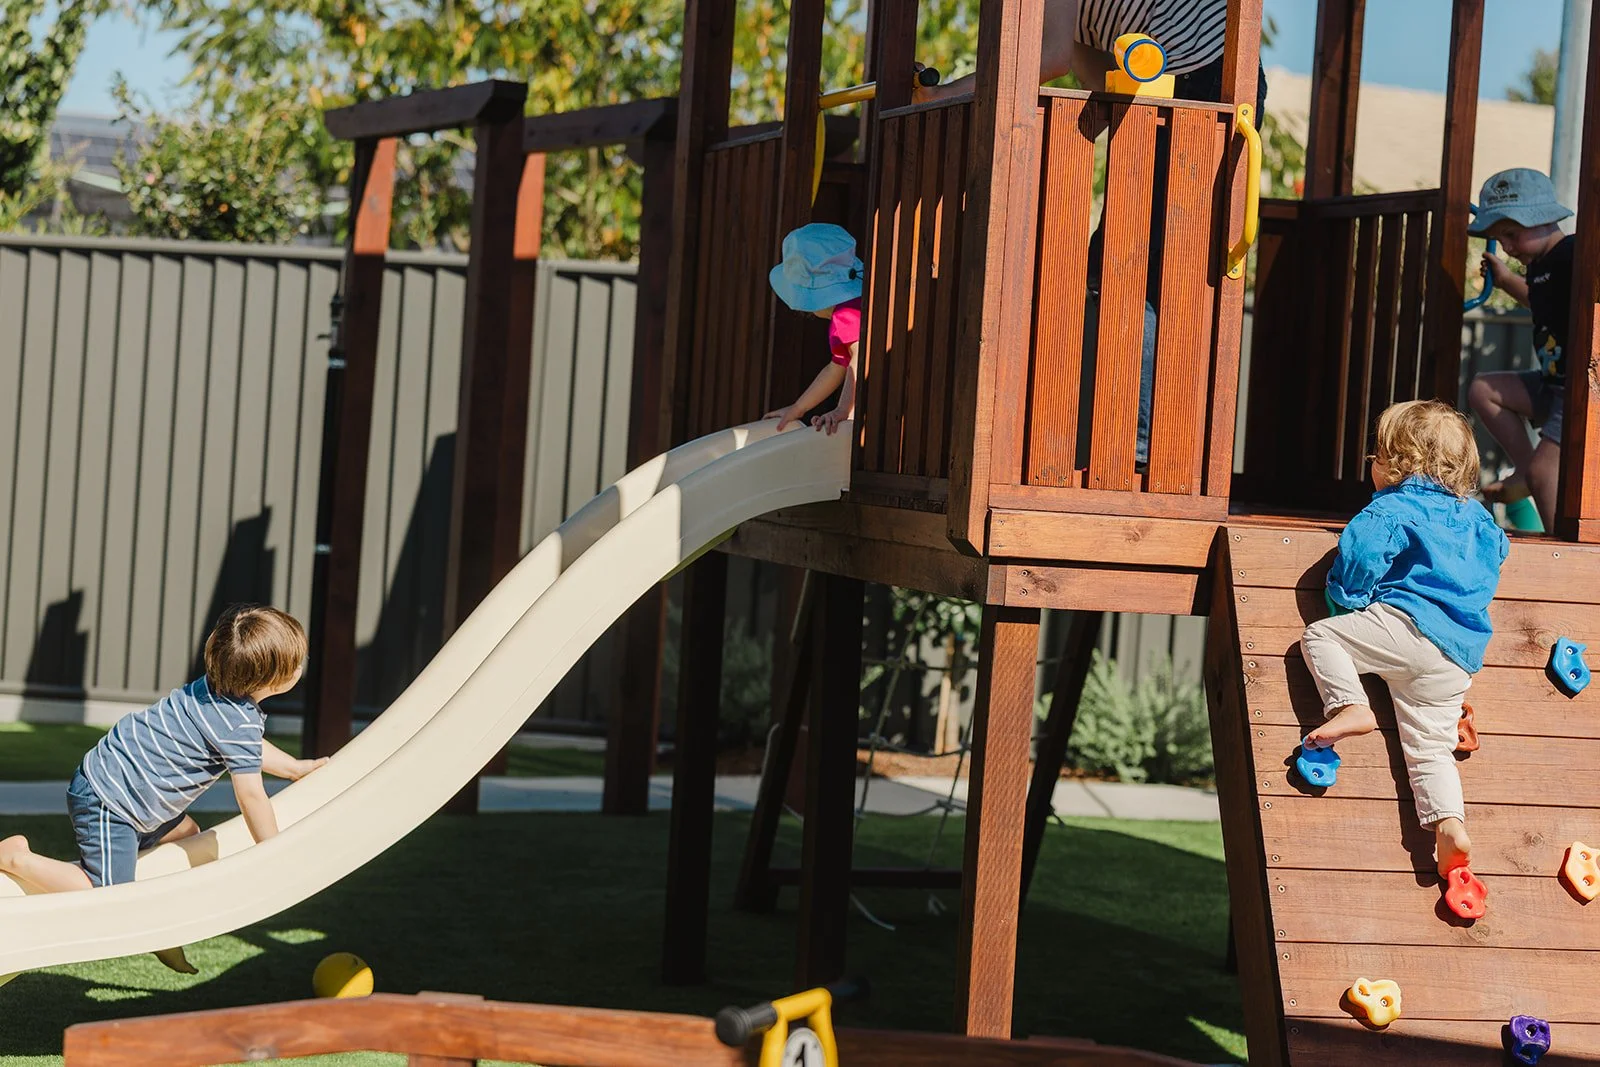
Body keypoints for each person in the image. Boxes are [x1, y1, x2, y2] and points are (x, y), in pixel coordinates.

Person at [914, 0, 1266, 469]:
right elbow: (1094, 77)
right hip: (1173, 78)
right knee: (1113, 261)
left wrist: (945, 95)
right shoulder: (1072, 16)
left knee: (1138, 267)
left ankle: (1139, 455)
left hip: (1206, 78)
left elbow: (1048, 57)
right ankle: (1120, 444)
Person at [0, 605, 327, 972]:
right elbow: (251, 795)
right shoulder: (237, 722)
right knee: (110, 901)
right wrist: (274, 849)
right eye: (297, 663)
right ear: (273, 679)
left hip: (134, 794)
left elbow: (246, 749)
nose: (301, 667)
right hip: (110, 801)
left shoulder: (214, 689)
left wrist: (293, 768)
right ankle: (17, 858)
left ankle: (160, 929)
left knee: (189, 837)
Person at [1299, 400, 1508, 879]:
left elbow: (1358, 559)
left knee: (1322, 637)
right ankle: (1449, 825)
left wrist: (1347, 599)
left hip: (1405, 627)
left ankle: (1350, 706)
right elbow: (1499, 550)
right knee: (1431, 750)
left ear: (1397, 463)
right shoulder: (1479, 521)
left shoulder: (1390, 509)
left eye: (1375, 455)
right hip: (1456, 658)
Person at [1465, 168, 1576, 532]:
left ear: (1544, 218)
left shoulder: (1574, 255)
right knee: (1484, 389)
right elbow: (1538, 301)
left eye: (1511, 234)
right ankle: (1524, 468)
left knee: (1546, 473)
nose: (1508, 247)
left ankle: (1563, 549)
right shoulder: (1541, 265)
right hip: (1551, 384)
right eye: (1501, 238)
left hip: (1578, 390)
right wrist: (1505, 280)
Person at [764, 223, 862, 436]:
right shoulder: (855, 304)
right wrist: (798, 408)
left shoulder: (846, 313)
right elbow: (835, 368)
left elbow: (860, 356)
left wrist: (843, 410)